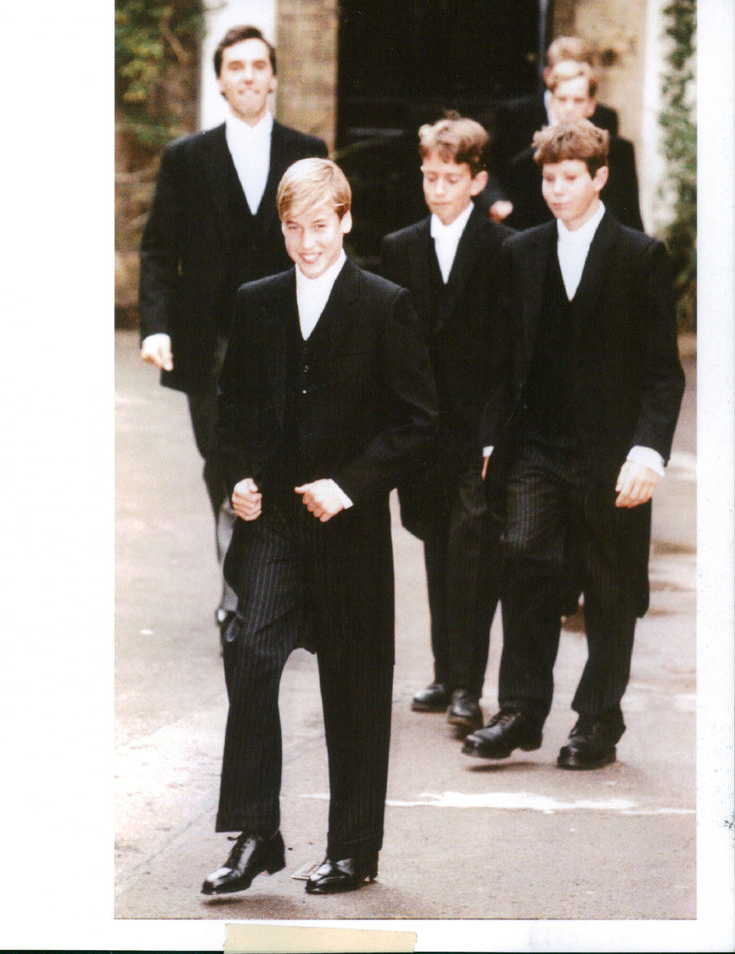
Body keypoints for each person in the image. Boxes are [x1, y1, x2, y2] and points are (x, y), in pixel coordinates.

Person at [201, 158, 437, 896]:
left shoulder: (383, 303)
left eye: (321, 227)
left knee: (356, 682)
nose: (307, 243)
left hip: (346, 526)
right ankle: (256, 833)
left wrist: (352, 486)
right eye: (294, 229)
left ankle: (354, 850)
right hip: (271, 519)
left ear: (347, 220)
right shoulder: (256, 302)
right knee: (249, 655)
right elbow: (230, 410)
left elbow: (418, 421)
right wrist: (234, 477)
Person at [463, 120, 684, 769]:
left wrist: (648, 453)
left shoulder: (640, 256)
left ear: (600, 178)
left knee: (608, 585)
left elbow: (662, 373)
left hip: (612, 455)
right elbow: (504, 360)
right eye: (548, 180)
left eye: (569, 179)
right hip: (535, 446)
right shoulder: (521, 253)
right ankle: (521, 710)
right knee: (522, 555)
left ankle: (597, 721)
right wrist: (488, 438)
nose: (557, 191)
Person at [139, 25, 327, 642]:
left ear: (273, 77)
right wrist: (158, 327)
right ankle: (238, 594)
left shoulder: (307, 151)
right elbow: (160, 252)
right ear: (220, 80)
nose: (247, 76)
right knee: (225, 466)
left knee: (290, 461)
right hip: (209, 344)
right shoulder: (186, 158)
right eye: (235, 67)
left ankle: (284, 596)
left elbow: (327, 241)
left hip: (289, 339)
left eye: (257, 66)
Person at [381, 115, 512, 736]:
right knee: (435, 545)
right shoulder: (401, 246)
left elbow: (508, 351)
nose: (437, 189)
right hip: (422, 431)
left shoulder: (502, 247)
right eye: (429, 176)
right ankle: (442, 670)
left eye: (450, 178)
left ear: (477, 181)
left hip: (475, 432)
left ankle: (468, 684)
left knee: (472, 554)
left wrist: (494, 430)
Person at [483, 35, 619, 223]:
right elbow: (490, 164)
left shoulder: (604, 118)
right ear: (548, 75)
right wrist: (496, 201)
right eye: (565, 72)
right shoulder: (516, 113)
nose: (570, 107)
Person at [504, 60, 643, 231]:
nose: (569, 108)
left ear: (591, 105)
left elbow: (631, 217)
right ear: (551, 103)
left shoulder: (619, 152)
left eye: (578, 100)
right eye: (562, 99)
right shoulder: (527, 162)